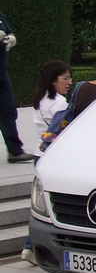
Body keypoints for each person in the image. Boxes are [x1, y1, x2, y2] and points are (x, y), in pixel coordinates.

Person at [22, 60, 73, 263]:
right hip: (55, 156)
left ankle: (30, 247)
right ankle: (32, 246)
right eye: (65, 78)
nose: (69, 82)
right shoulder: (60, 103)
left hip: (40, 154)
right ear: (53, 80)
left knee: (42, 204)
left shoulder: (39, 100)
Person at [0, 12, 34, 163]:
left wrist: (11, 38)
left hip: (1, 75)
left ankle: (14, 151)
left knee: (8, 111)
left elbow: (9, 31)